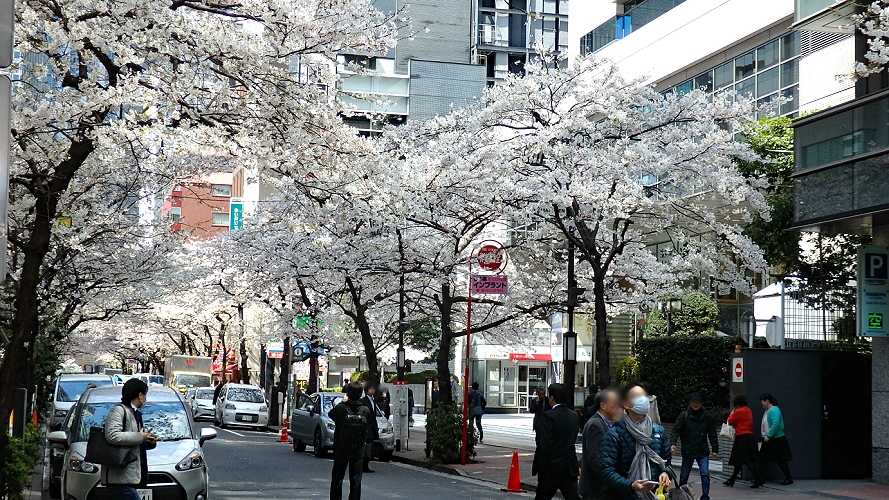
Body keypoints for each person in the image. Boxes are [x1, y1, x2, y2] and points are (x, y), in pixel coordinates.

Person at [600, 384, 672, 500]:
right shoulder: (615, 434)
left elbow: (667, 462)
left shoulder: (658, 431)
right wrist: (631, 485)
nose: (643, 399)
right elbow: (607, 471)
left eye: (644, 395)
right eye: (637, 396)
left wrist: (665, 473)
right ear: (626, 404)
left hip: (655, 495)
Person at [101, 378, 157, 500]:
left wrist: (148, 441)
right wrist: (140, 436)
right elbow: (113, 435)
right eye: (145, 395)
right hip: (120, 478)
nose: (146, 399)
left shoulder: (136, 413)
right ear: (140, 395)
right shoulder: (119, 411)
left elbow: (134, 441)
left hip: (131, 476)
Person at [532, 383, 580, 500]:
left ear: (552, 397)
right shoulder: (574, 416)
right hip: (569, 466)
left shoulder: (548, 416)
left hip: (550, 467)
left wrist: (539, 466)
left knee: (542, 497)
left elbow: (543, 444)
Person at [329, 382, 375, 500]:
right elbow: (370, 424)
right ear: (361, 394)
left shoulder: (340, 408)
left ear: (348, 393)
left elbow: (331, 415)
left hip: (341, 447)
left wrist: (344, 401)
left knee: (337, 478)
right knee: (356, 480)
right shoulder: (365, 410)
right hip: (358, 449)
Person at [672, 393, 719, 500]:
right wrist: (673, 443)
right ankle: (682, 496)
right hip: (688, 451)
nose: (696, 405)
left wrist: (715, 449)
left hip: (702, 451)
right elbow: (675, 430)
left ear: (701, 404)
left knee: (705, 474)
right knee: (684, 476)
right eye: (694, 402)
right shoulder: (684, 416)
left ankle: (705, 496)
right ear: (690, 403)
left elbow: (712, 433)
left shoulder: (707, 417)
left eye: (698, 403)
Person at [579, 388, 622, 500]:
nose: (618, 407)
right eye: (615, 404)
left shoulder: (609, 423)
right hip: (596, 488)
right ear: (603, 405)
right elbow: (596, 460)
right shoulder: (596, 425)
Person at [753, 393, 793, 487]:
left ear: (767, 401)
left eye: (762, 401)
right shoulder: (768, 410)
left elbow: (776, 424)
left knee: (780, 460)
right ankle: (760, 479)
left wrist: (768, 435)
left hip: (775, 439)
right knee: (763, 459)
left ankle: (788, 478)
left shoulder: (774, 410)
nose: (761, 404)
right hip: (767, 439)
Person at [724, 394, 757, 487]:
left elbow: (730, 421)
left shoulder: (738, 411)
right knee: (742, 460)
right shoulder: (748, 410)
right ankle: (732, 480)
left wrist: (733, 412)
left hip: (741, 438)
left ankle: (758, 479)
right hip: (749, 437)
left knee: (744, 460)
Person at [360, 382, 381, 473]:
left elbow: (374, 415)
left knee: (370, 447)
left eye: (373, 389)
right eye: (371, 389)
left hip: (372, 427)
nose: (373, 390)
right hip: (365, 427)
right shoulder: (363, 401)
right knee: (366, 447)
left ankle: (366, 465)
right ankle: (363, 465)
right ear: (366, 390)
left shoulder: (374, 400)